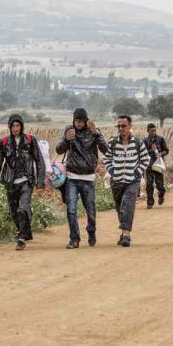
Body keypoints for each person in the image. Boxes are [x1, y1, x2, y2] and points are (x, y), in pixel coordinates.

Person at [0, 114, 46, 251]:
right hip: (10, 182)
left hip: (26, 181)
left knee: (23, 208)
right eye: (13, 126)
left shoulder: (30, 140)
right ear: (9, 127)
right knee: (14, 212)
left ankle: (21, 239)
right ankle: (25, 233)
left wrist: (40, 184)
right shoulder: (2, 143)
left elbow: (40, 162)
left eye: (18, 126)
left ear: (22, 126)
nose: (15, 128)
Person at [55, 107, 109, 249]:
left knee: (90, 211)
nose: (78, 124)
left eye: (81, 121)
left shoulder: (93, 130)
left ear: (86, 121)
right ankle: (74, 239)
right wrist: (67, 140)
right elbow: (59, 149)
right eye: (76, 121)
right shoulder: (69, 130)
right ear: (73, 121)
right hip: (72, 177)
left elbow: (106, 149)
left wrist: (96, 134)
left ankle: (91, 231)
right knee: (71, 209)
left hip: (88, 177)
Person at [103, 115, 150, 247]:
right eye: (118, 126)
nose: (121, 128)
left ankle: (126, 235)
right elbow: (106, 158)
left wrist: (137, 172)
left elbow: (145, 159)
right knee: (119, 208)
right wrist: (112, 170)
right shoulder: (112, 142)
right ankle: (124, 232)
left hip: (132, 181)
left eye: (123, 126)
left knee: (128, 206)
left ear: (130, 126)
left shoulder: (137, 142)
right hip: (116, 181)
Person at [143, 123, 169, 209]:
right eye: (152, 131)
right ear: (148, 131)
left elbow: (166, 150)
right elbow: (142, 153)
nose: (154, 132)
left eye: (155, 130)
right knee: (149, 184)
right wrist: (150, 150)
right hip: (149, 165)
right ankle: (150, 202)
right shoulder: (144, 141)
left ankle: (161, 194)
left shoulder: (160, 139)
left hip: (158, 164)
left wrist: (160, 154)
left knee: (160, 185)